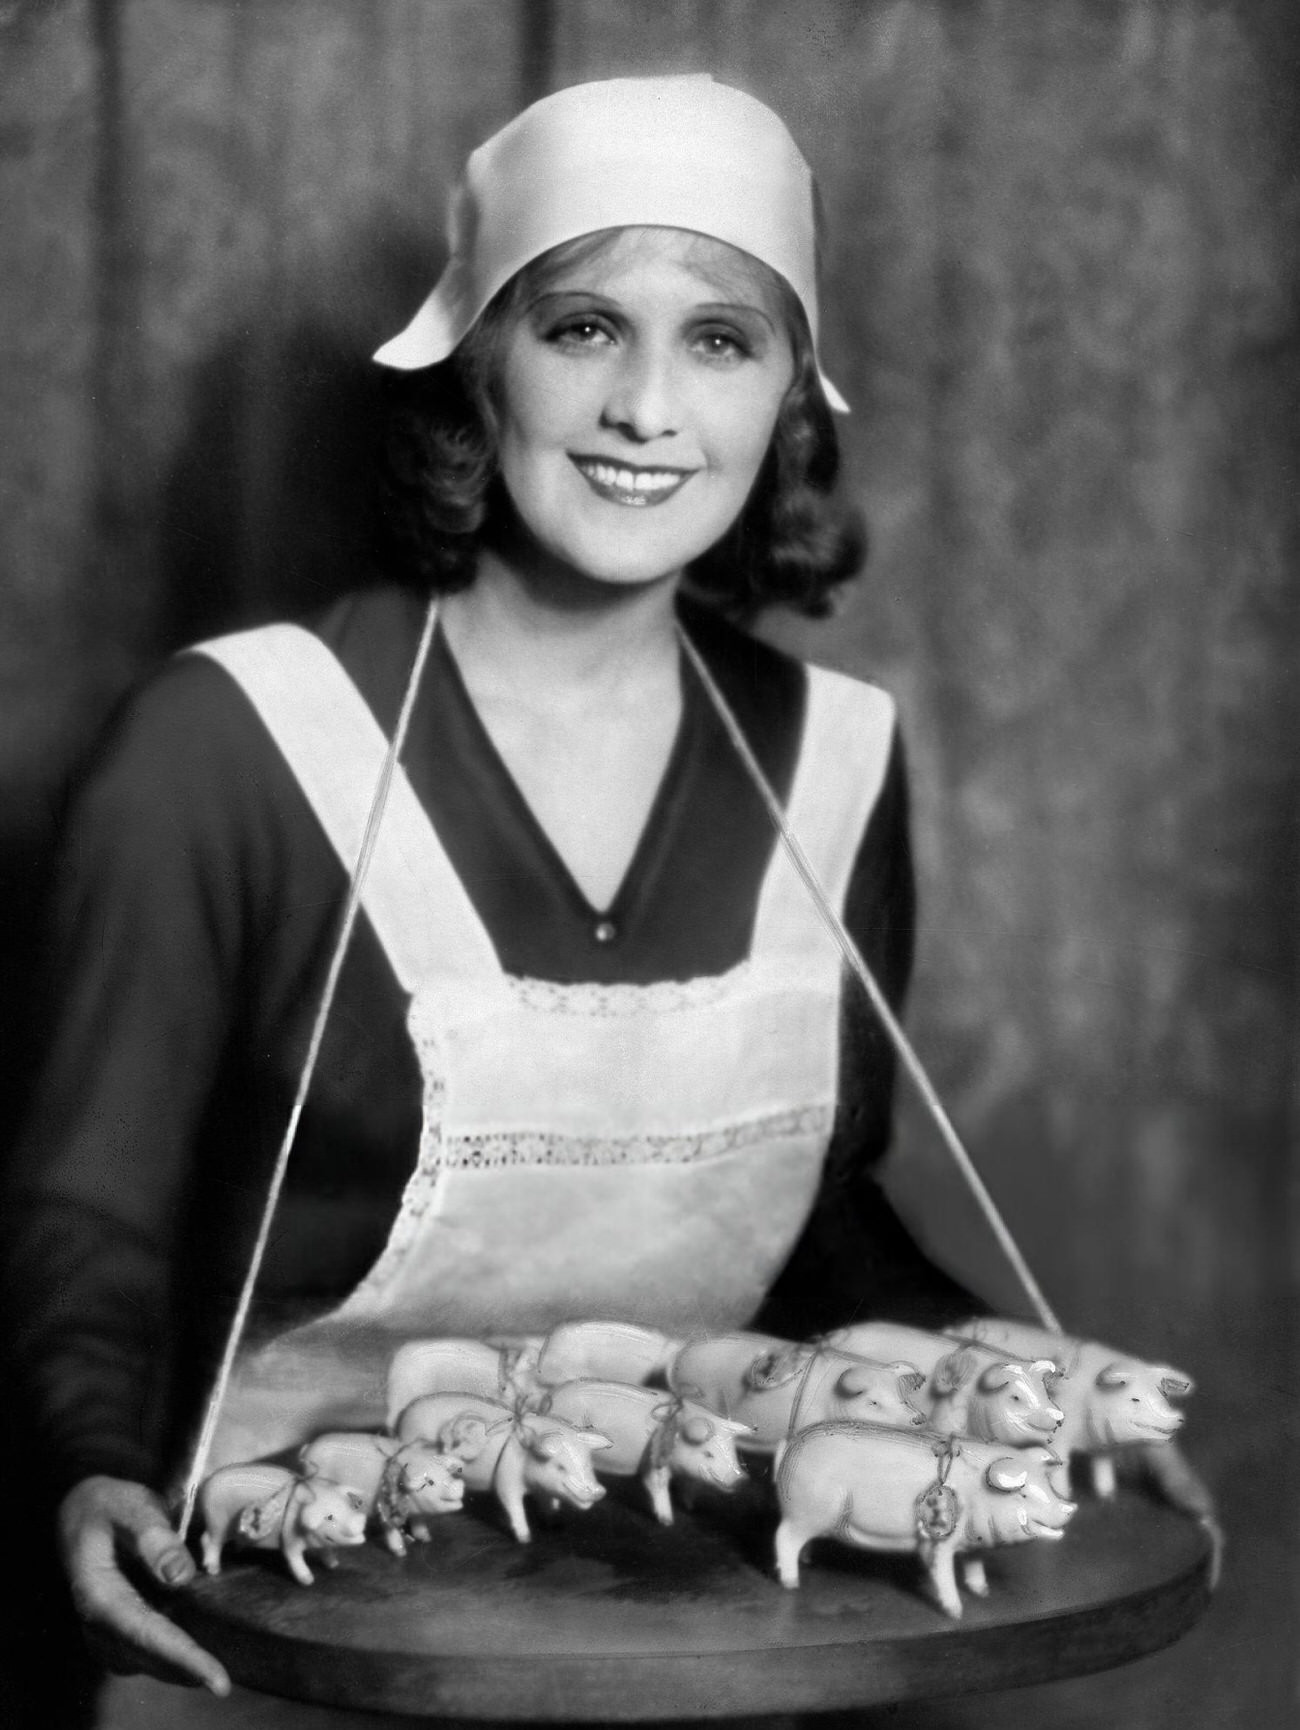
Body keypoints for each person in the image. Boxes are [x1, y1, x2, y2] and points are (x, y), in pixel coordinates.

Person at [2, 75, 1213, 1728]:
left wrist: (1029, 1382)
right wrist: (81, 1466)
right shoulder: (223, 746)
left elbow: (813, 1215)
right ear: (478, 360)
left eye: (721, 340)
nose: (648, 406)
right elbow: (91, 1216)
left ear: (791, 395)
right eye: (583, 328)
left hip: (687, 1621)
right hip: (269, 1646)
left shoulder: (838, 759)